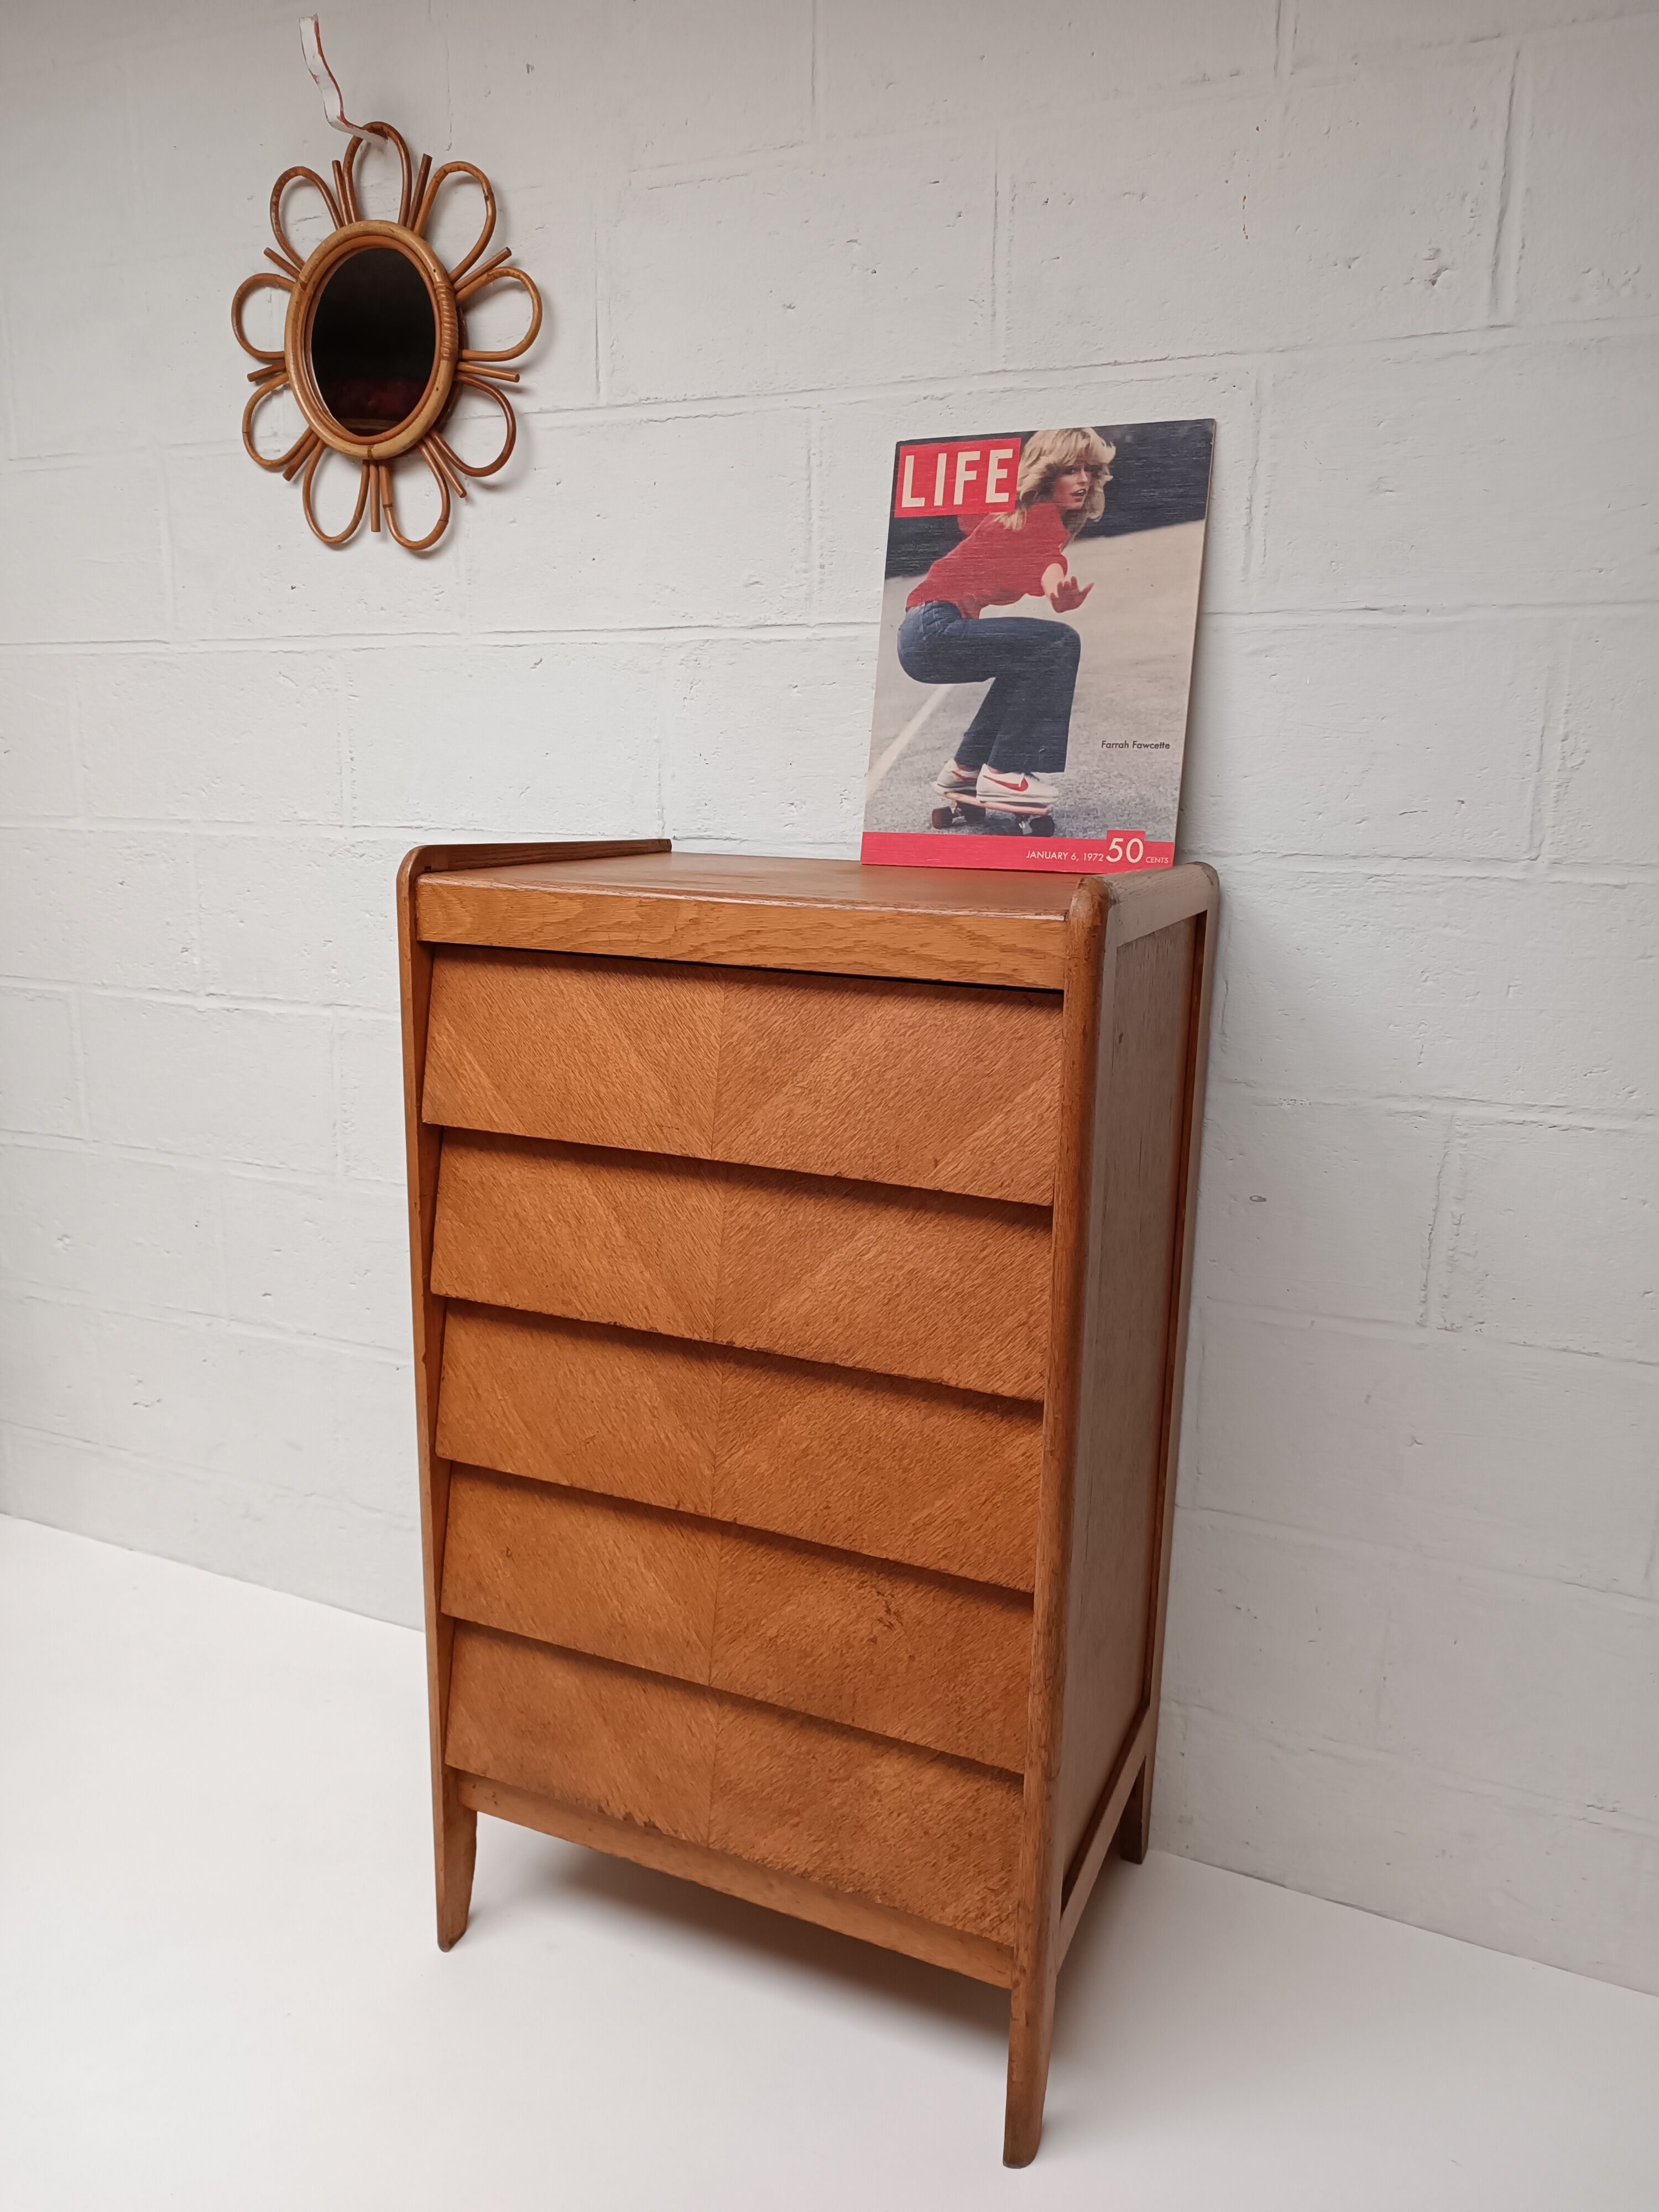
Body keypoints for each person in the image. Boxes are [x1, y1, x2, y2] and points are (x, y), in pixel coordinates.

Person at [897, 427, 1114, 822]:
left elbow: (993, 531)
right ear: (1046, 476)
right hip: (936, 626)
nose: (1083, 479)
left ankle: (966, 769)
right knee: (1059, 643)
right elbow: (1047, 560)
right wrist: (1056, 592)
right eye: (1070, 469)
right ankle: (1005, 773)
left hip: (919, 636)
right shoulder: (1041, 516)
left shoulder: (1012, 516)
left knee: (1028, 662)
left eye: (1089, 470)